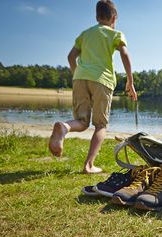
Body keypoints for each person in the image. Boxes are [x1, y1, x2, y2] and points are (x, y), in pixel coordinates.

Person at [48, 0, 137, 174]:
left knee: (81, 121)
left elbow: (70, 57)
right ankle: (88, 165)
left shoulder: (85, 34)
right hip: (102, 80)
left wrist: (76, 74)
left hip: (80, 78)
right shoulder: (115, 33)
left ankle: (64, 127)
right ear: (114, 17)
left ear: (97, 16)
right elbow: (125, 54)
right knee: (100, 125)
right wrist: (130, 81)